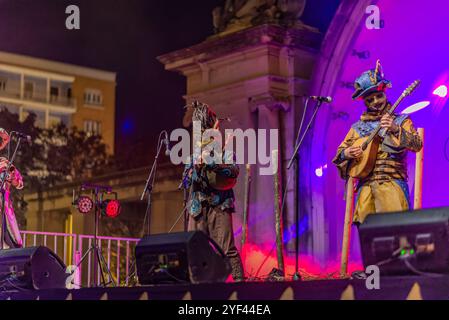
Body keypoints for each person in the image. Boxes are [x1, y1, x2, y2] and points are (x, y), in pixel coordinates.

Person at [333, 60, 423, 223]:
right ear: (365, 102)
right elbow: (339, 156)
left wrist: (395, 129)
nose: (376, 102)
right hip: (366, 191)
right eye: (370, 100)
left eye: (379, 96)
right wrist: (347, 152)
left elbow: (417, 144)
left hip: (392, 188)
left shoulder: (401, 120)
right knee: (368, 238)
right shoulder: (358, 127)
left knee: (395, 235)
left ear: (385, 93)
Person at [181, 102, 244, 281]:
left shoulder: (225, 151)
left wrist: (212, 163)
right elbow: (185, 182)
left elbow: (233, 171)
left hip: (219, 204)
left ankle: (241, 289)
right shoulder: (193, 155)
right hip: (197, 207)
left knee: (227, 249)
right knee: (194, 250)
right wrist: (193, 167)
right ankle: (196, 290)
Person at [0, 128, 24, 248]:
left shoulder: (4, 163)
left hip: (4, 208)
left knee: (13, 244)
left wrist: (13, 177)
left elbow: (19, 184)